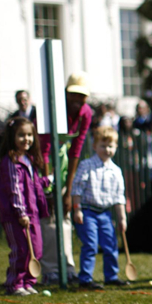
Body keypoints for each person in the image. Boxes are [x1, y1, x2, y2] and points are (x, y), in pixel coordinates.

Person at [39, 73, 93, 284]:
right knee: (50, 216)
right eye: (74, 95)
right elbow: (44, 150)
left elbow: (76, 151)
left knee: (65, 217)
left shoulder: (85, 113)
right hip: (44, 164)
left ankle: (67, 266)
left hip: (63, 164)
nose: (77, 101)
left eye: (82, 96)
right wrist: (48, 189)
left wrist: (68, 191)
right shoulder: (52, 109)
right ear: (66, 94)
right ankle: (51, 269)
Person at [71, 127, 129, 289]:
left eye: (111, 146)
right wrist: (77, 209)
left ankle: (111, 276)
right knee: (90, 244)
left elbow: (119, 197)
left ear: (116, 147)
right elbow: (77, 189)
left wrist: (122, 218)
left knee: (110, 244)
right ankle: (86, 279)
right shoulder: (86, 165)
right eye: (103, 146)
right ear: (95, 146)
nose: (107, 150)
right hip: (88, 211)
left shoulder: (116, 171)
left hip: (105, 214)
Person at [0, 117, 48, 296]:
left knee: (36, 248)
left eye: (29, 135)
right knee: (21, 249)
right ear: (12, 137)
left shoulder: (29, 160)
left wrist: (46, 181)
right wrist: (20, 211)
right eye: (21, 135)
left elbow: (32, 185)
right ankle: (15, 283)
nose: (26, 139)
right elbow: (14, 188)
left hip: (32, 213)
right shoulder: (11, 161)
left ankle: (28, 281)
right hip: (16, 215)